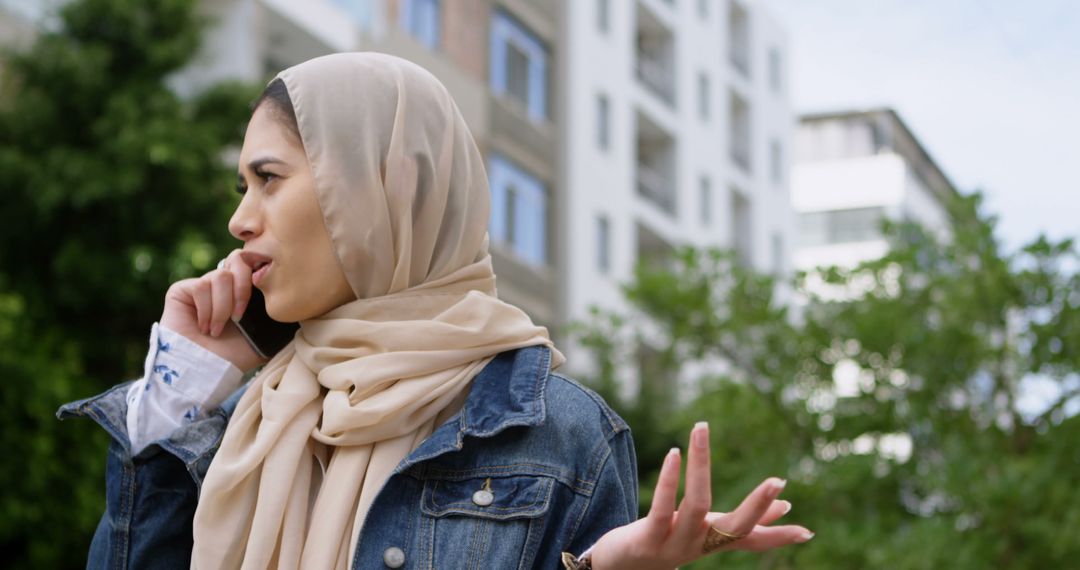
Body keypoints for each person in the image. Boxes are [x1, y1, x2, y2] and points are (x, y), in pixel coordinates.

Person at [57, 52, 813, 569]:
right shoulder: (235, 418)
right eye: (241, 190)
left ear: (389, 187)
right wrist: (178, 392)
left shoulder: (556, 434)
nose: (241, 221)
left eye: (269, 180)